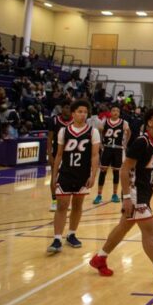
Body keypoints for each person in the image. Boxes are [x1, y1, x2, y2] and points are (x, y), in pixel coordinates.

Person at [88, 106, 153, 284]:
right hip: (134, 191)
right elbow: (124, 170)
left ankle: (99, 258)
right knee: (149, 229)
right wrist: (126, 198)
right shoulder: (141, 142)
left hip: (146, 190)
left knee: (124, 227)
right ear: (149, 123)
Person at [47, 99, 100, 254]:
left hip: (82, 173)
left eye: (85, 112)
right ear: (73, 113)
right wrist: (54, 175)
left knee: (78, 205)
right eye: (79, 111)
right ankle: (57, 238)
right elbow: (59, 154)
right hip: (66, 172)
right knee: (62, 205)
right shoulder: (64, 131)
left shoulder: (93, 132)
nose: (83, 115)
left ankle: (71, 234)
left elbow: (95, 156)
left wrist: (93, 175)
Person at [94, 106, 130, 204]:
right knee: (103, 171)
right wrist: (101, 142)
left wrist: (125, 143)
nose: (115, 112)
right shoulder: (105, 122)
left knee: (116, 172)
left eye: (117, 111)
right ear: (110, 112)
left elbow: (129, 132)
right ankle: (99, 195)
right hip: (107, 148)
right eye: (113, 110)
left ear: (119, 113)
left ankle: (114, 194)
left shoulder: (124, 123)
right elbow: (99, 131)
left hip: (118, 149)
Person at [47, 103, 72, 211]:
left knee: (69, 179)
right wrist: (49, 155)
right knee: (54, 177)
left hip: (70, 154)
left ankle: (67, 201)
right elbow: (49, 138)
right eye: (66, 107)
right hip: (57, 153)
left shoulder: (75, 121)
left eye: (70, 108)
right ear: (62, 109)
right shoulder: (54, 120)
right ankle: (54, 201)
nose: (68, 110)